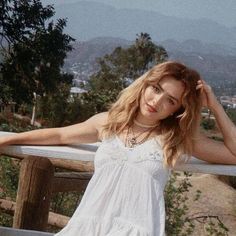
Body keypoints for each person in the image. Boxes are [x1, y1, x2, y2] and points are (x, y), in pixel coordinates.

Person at [0, 60, 235, 236]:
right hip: (90, 226)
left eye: (170, 101)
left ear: (177, 110)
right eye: (156, 89)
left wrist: (214, 106)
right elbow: (59, 134)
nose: (157, 101)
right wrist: (8, 140)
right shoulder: (109, 122)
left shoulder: (177, 139)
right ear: (145, 85)